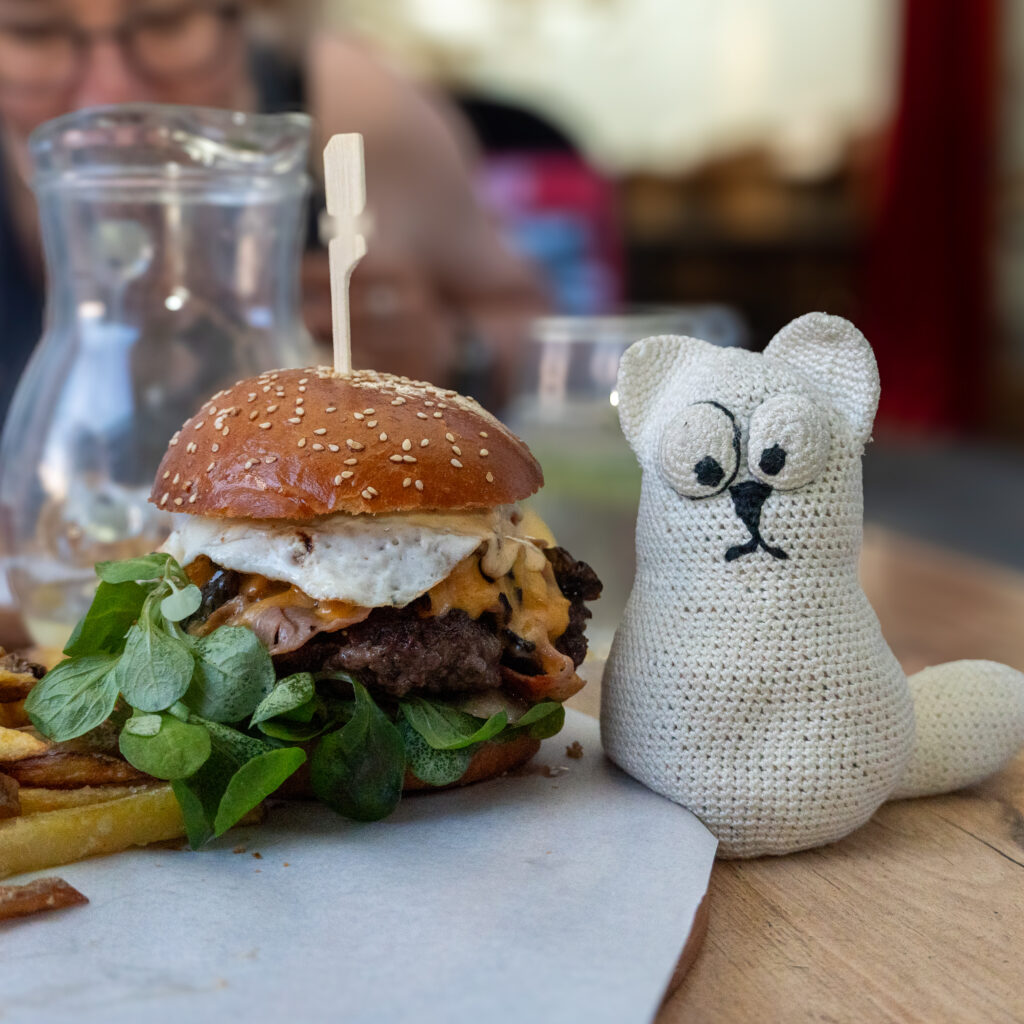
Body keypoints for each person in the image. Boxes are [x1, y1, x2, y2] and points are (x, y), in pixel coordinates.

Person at [0, 0, 546, 421]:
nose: (111, 92)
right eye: (33, 32)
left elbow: (536, 335)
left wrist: (456, 351)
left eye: (166, 21)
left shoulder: (348, 110)